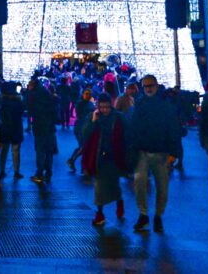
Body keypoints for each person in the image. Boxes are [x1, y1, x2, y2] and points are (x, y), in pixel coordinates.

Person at [129, 74, 182, 233]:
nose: (149, 88)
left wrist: (173, 153)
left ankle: (158, 215)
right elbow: (133, 128)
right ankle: (143, 214)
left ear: (157, 86)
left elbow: (173, 129)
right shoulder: (140, 105)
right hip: (142, 151)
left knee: (162, 187)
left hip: (161, 152)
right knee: (139, 182)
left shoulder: (166, 106)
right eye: (146, 86)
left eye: (151, 85)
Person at [81, 93, 131, 226]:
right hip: (99, 158)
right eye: (101, 107)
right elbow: (84, 134)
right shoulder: (94, 117)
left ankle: (119, 202)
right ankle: (100, 213)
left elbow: (128, 134)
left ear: (111, 106)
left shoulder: (119, 118)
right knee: (99, 187)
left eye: (107, 107)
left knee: (114, 184)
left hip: (114, 157)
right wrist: (93, 121)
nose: (104, 110)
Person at [29, 78, 59, 184]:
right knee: (48, 151)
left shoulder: (35, 96)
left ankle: (40, 173)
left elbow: (31, 110)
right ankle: (48, 172)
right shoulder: (49, 96)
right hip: (49, 128)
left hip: (40, 127)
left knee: (40, 151)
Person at [0, 80, 25, 179]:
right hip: (16, 127)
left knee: (3, 150)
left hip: (5, 127)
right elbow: (22, 110)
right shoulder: (19, 100)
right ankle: (16, 171)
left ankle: (2, 170)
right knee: (16, 150)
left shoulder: (2, 101)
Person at [67, 88, 96, 173]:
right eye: (86, 94)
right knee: (83, 146)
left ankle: (73, 161)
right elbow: (82, 115)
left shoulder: (90, 103)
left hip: (87, 127)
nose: (88, 95)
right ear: (83, 94)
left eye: (89, 94)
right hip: (80, 127)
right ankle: (78, 163)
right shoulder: (80, 103)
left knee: (83, 146)